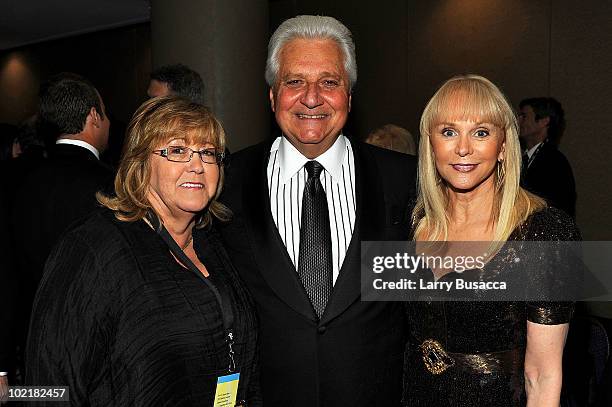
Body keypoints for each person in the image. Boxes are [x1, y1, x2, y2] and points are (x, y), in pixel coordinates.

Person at [218, 15, 417, 407]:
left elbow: (472, 272)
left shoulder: (406, 181)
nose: (312, 97)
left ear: (349, 96)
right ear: (273, 96)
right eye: (294, 81)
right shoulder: (224, 184)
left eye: (329, 82)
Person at [26, 96, 260, 406]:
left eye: (208, 152)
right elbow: (50, 383)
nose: (197, 165)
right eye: (177, 150)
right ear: (140, 163)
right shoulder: (95, 249)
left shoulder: (215, 241)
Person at [404, 75, 579, 406]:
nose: (464, 147)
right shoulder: (414, 223)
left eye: (481, 132)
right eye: (448, 131)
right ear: (431, 144)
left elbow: (542, 376)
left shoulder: (542, 234)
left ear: (502, 146)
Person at [9, 74, 114, 375]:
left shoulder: (19, 181)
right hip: (97, 343)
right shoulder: (111, 184)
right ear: (94, 116)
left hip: (33, 338)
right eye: (104, 113)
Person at [519, 97, 576, 217]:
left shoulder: (555, 162)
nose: (518, 121)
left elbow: (557, 209)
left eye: (524, 116)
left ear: (544, 122)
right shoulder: (524, 158)